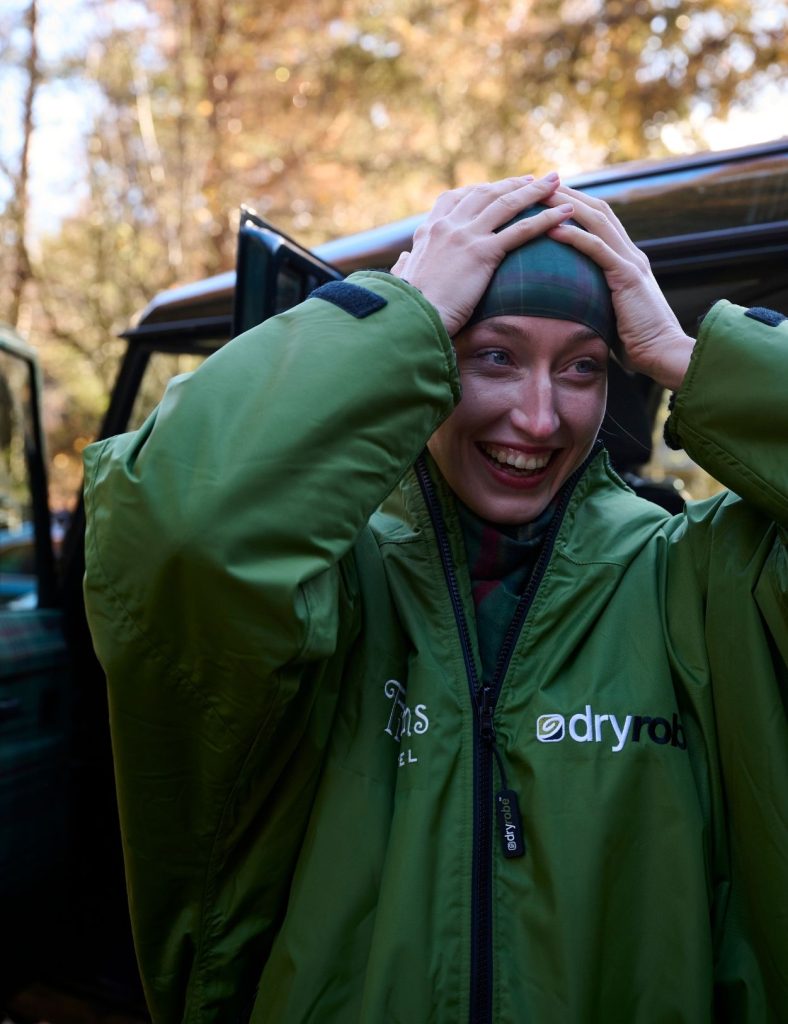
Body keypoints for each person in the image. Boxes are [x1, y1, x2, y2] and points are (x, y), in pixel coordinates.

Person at [83, 173, 787, 1023]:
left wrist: (690, 358)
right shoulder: (332, 583)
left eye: (582, 369)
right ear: (430, 358)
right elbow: (181, 527)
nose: (538, 418)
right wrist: (402, 313)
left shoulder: (700, 581)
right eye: (494, 355)